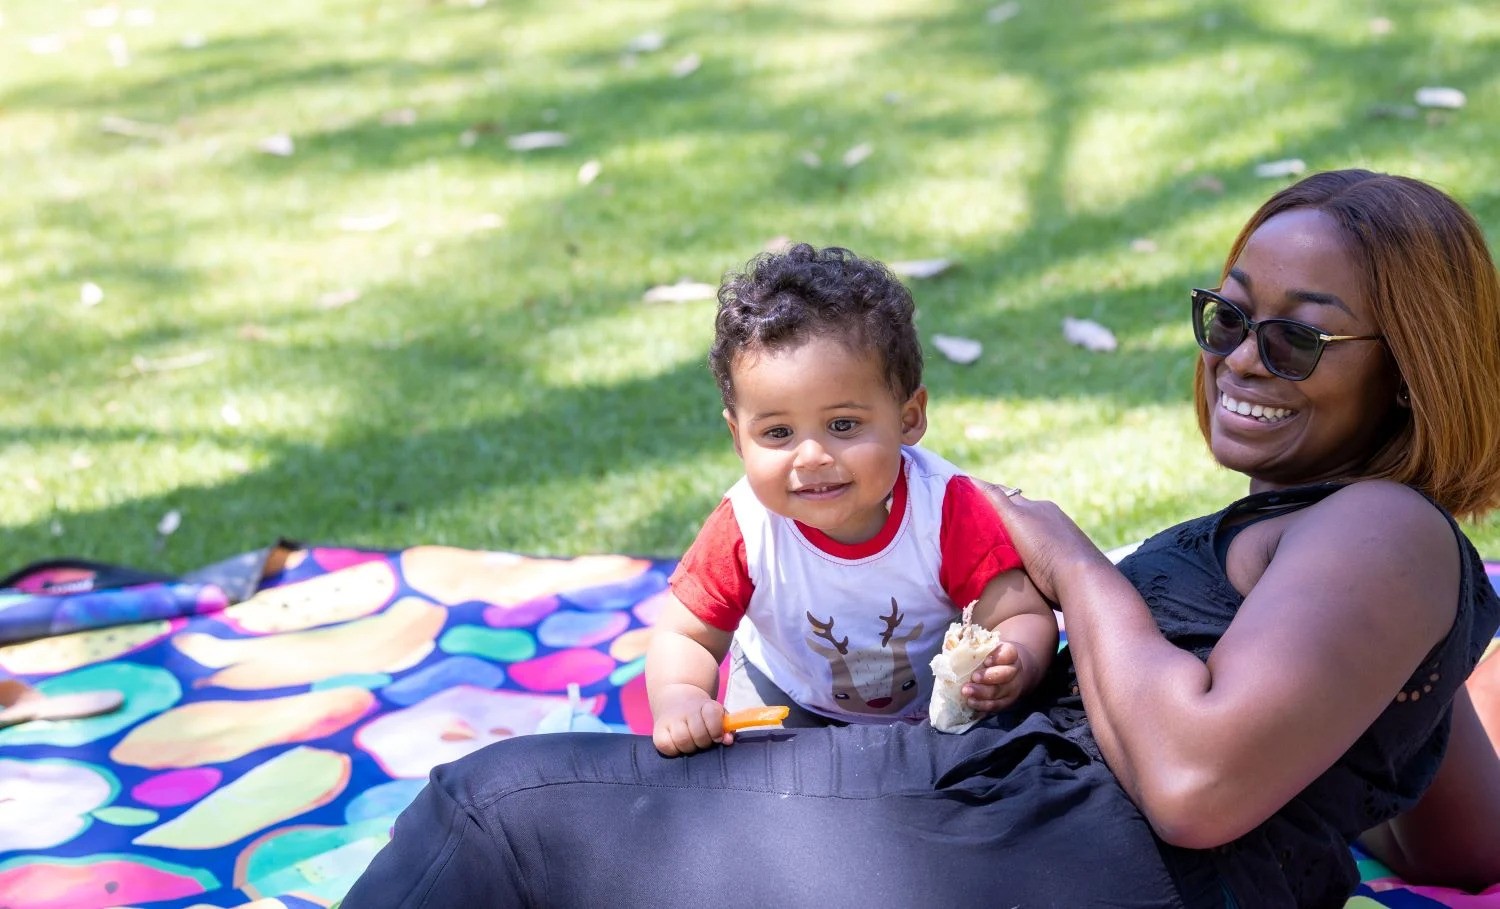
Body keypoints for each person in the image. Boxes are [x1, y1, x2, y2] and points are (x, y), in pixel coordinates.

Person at [341, 169, 1500, 907]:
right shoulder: (1375, 577)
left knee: (494, 817)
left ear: (1411, 373)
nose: (1242, 357)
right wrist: (1423, 675)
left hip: (1042, 844)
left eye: (1297, 339)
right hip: (1020, 835)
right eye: (1228, 315)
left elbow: (1196, 787)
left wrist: (1074, 566)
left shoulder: (1384, 528)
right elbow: (1459, 842)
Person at [647, 243, 1056, 756]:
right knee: (747, 786)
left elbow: (1022, 615)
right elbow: (685, 636)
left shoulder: (945, 509)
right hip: (784, 697)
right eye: (778, 433)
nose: (812, 456)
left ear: (908, 418)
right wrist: (681, 698)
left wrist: (1014, 660)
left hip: (934, 713)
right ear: (738, 438)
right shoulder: (746, 525)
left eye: (843, 425)